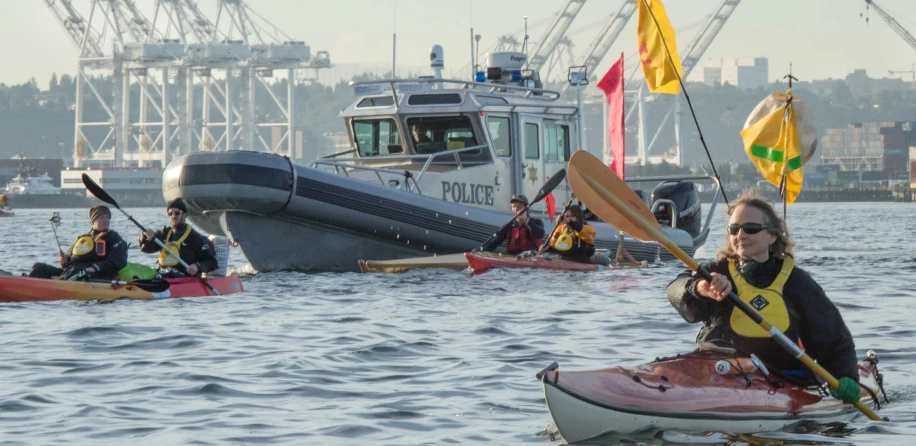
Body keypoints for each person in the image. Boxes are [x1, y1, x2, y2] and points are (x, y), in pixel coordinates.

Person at [666, 192, 860, 404]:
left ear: (772, 236)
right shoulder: (715, 272)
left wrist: (846, 375)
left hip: (778, 376)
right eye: (734, 229)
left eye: (751, 229)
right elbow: (675, 289)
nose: (740, 235)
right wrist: (700, 288)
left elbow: (834, 341)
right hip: (715, 367)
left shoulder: (796, 282)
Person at [28, 205, 128, 281]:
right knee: (38, 267)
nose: (105, 220)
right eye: (101, 217)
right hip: (71, 272)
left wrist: (95, 268)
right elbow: (69, 261)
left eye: (107, 217)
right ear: (93, 220)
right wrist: (65, 261)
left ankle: (56, 285)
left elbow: (119, 260)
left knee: (77, 272)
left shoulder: (113, 237)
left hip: (96, 275)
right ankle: (28, 285)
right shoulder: (83, 238)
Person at [140, 198, 217, 278]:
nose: (173, 216)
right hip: (164, 278)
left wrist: (197, 266)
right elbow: (144, 248)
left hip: (186, 279)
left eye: (177, 213)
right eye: (170, 214)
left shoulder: (196, 238)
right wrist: (145, 236)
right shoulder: (163, 234)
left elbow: (212, 263)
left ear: (184, 214)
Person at [479, 194, 545, 255]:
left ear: (526, 209)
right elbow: (494, 243)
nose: (516, 209)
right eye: (513, 206)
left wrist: (526, 220)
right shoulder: (508, 226)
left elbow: (540, 234)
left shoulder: (537, 222)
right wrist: (481, 252)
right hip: (513, 258)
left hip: (531, 258)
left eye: (519, 206)